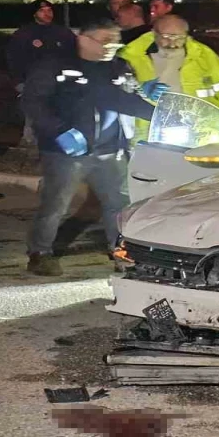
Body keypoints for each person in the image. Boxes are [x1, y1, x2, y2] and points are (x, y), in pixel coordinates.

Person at [22, 18, 157, 276]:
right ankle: (40, 252)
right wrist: (59, 131)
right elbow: (33, 102)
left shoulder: (118, 68)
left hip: (111, 151)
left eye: (116, 41)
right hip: (66, 152)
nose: (112, 46)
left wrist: (159, 112)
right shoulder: (55, 65)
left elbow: (128, 100)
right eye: (106, 40)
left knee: (118, 205)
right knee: (56, 204)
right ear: (83, 38)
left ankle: (121, 252)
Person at [119, 14, 219, 142]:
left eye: (179, 38)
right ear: (154, 33)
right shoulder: (131, 57)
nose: (172, 43)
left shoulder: (203, 55)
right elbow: (117, 93)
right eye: (166, 37)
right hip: (150, 131)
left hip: (202, 131)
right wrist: (141, 89)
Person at [6, 0, 76, 147]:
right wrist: (18, 81)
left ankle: (58, 145)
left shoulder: (63, 32)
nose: (47, 13)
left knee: (59, 115)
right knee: (34, 118)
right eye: (42, 11)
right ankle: (32, 148)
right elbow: (13, 59)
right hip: (32, 85)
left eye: (49, 10)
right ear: (34, 14)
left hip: (60, 85)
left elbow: (74, 56)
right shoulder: (24, 34)